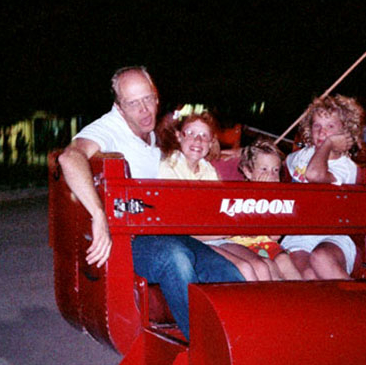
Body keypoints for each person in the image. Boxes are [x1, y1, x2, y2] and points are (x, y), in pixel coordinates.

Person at [57, 67, 243, 340]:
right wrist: (98, 214)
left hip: (163, 230)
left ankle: (240, 342)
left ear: (157, 97)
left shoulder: (154, 133)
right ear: (119, 107)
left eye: (148, 99)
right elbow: (69, 158)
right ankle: (204, 345)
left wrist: (227, 153)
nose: (144, 110)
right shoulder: (108, 128)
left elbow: (181, 153)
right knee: (175, 260)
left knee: (226, 271)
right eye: (133, 103)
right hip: (129, 236)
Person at [281, 95, 364, 280]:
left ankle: (358, 305)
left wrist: (327, 145)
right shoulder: (302, 155)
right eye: (316, 125)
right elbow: (281, 164)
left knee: (321, 258)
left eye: (330, 127)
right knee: (308, 275)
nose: (321, 132)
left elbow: (314, 175)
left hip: (333, 237)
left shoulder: (345, 167)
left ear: (346, 132)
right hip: (298, 237)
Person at [210, 139, 302, 281]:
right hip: (242, 245)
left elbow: (275, 236)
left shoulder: (278, 199)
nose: (270, 175)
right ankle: (278, 300)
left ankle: (300, 297)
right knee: (269, 267)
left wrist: (269, 196)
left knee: (285, 262)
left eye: (275, 170)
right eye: (264, 169)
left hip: (268, 244)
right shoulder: (238, 195)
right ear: (248, 172)